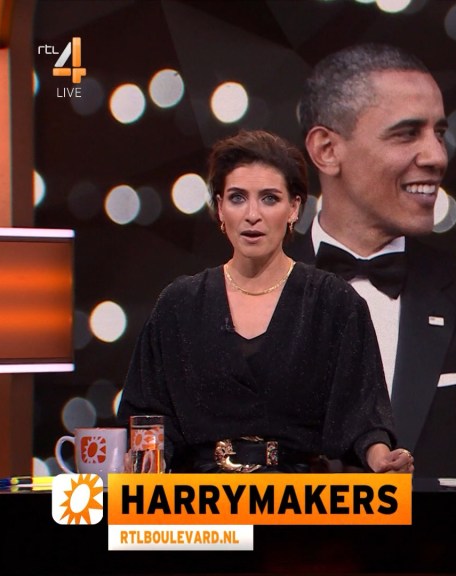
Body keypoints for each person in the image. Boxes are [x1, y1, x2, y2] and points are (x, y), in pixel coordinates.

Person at [289, 43, 456, 481]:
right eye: (407, 133)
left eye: (439, 133)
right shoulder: (231, 301)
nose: (437, 157)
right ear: (327, 150)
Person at [119, 129, 411, 474]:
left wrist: (381, 460)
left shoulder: (335, 303)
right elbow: (148, 414)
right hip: (200, 496)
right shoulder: (179, 304)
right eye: (237, 198)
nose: (252, 215)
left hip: (299, 495)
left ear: (294, 208)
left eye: (269, 199)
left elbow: (363, 418)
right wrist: (145, 466)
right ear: (219, 209)